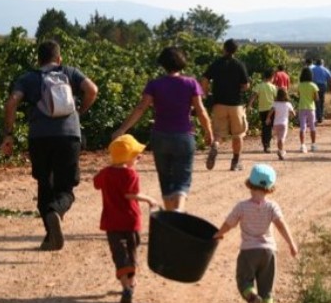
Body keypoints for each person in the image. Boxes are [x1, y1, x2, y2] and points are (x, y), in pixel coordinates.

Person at [0, 39, 98, 251]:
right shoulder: (70, 72)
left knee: (44, 185)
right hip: (68, 136)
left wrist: (8, 134)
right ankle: (56, 211)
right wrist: (79, 112)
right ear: (59, 58)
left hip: (39, 138)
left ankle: (50, 236)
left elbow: (11, 103)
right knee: (65, 189)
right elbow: (92, 89)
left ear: (38, 59)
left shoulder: (28, 78)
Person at [113, 46, 213, 211]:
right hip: (184, 136)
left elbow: (140, 108)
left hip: (160, 136)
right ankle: (178, 212)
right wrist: (208, 131)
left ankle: (169, 218)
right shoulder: (191, 83)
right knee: (182, 179)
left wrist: (122, 129)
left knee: (165, 179)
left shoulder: (155, 84)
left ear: (163, 64)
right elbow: (201, 111)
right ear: (182, 63)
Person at [213, 164, 299, 303]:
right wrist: (291, 244)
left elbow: (229, 223)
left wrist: (219, 234)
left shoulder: (242, 207)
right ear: (270, 188)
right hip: (268, 252)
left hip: (248, 251)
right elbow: (281, 225)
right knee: (266, 282)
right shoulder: (272, 206)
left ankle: (252, 297)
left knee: (244, 279)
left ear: (250, 184)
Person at [93, 134, 158, 303]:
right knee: (132, 251)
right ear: (128, 157)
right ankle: (131, 282)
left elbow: (96, 183)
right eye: (136, 155)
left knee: (119, 254)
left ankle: (126, 286)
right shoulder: (131, 174)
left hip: (111, 222)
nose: (139, 157)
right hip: (131, 221)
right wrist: (149, 199)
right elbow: (131, 195)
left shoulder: (106, 173)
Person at [201, 39, 250, 172]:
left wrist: (206, 94)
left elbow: (205, 79)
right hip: (236, 105)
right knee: (238, 134)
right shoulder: (239, 64)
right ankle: (235, 162)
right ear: (235, 50)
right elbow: (246, 86)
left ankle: (215, 146)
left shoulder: (216, 64)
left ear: (224, 49)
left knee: (218, 134)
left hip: (219, 104)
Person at [248, 69, 278, 153]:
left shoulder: (259, 86)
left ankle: (265, 144)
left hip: (262, 110)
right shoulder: (273, 87)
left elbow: (253, 96)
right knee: (268, 127)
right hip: (271, 110)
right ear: (272, 77)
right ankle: (267, 145)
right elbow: (276, 99)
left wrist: (249, 105)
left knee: (265, 126)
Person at [265, 88, 295, 160]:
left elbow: (270, 112)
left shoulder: (275, 103)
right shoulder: (288, 104)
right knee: (281, 139)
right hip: (284, 124)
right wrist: (291, 116)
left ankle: (280, 151)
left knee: (279, 139)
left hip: (276, 124)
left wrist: (268, 118)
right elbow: (293, 114)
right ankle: (281, 152)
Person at [297, 67, 319, 153]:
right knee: (312, 127)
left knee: (302, 127)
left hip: (302, 107)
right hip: (311, 108)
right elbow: (317, 98)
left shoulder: (300, 85)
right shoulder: (313, 85)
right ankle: (313, 145)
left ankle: (302, 145)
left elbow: (299, 95)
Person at [311, 59, 331, 123]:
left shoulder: (312, 69)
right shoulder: (325, 69)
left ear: (316, 63)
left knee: (315, 101)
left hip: (314, 86)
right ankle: (320, 117)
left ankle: (316, 116)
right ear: (322, 63)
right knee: (321, 101)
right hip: (322, 86)